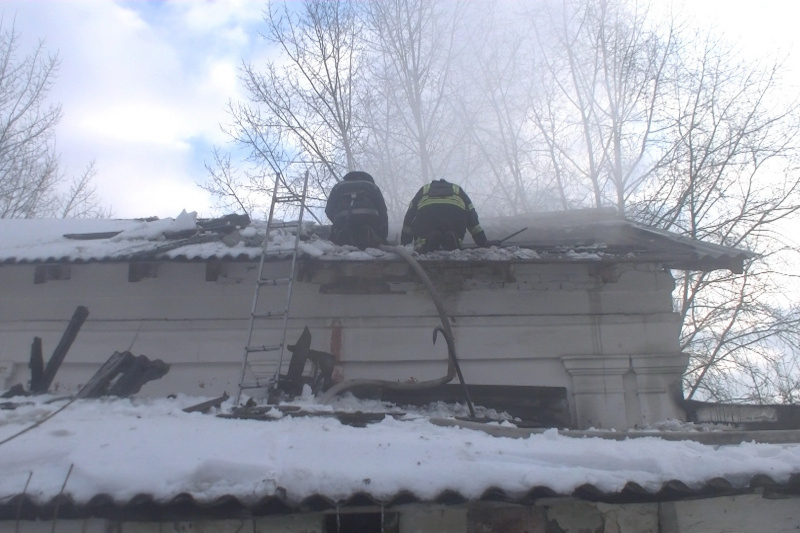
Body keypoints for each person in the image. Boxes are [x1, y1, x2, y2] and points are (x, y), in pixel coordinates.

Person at [401, 178, 490, 253]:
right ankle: (454, 238)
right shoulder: (458, 189)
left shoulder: (424, 189)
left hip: (428, 213)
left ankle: (425, 241)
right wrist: (483, 242)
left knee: (424, 232)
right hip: (454, 213)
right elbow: (472, 217)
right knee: (457, 224)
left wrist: (404, 244)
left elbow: (409, 217)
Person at [325, 170, 389, 250]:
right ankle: (368, 234)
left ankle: (344, 234)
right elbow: (383, 211)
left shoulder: (338, 186)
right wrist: (383, 237)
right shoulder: (372, 186)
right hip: (368, 220)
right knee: (371, 233)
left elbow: (328, 210)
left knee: (340, 232)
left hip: (344, 220)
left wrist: (338, 223)